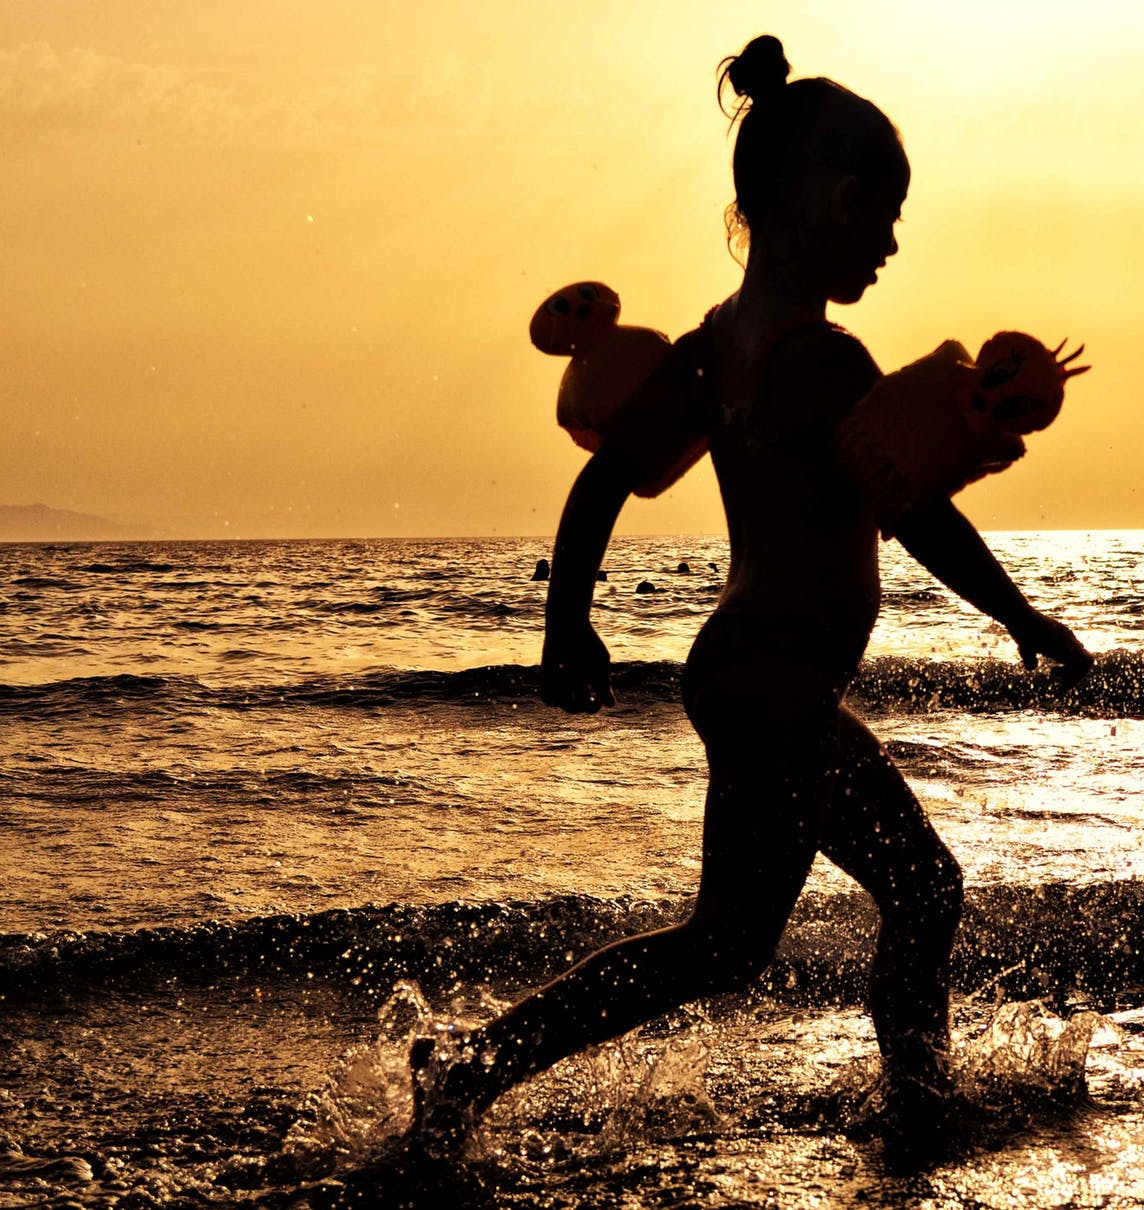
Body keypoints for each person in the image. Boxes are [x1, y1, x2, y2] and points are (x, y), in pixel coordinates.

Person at [407, 34, 1091, 1161]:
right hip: (773, 683)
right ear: (828, 200)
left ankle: (916, 1102)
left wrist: (567, 619)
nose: (891, 243)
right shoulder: (822, 361)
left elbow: (603, 480)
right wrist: (1018, 615)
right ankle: (480, 1064)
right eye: (882, 214)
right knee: (732, 942)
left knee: (917, 890)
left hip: (757, 676)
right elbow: (911, 504)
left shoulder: (712, 346)